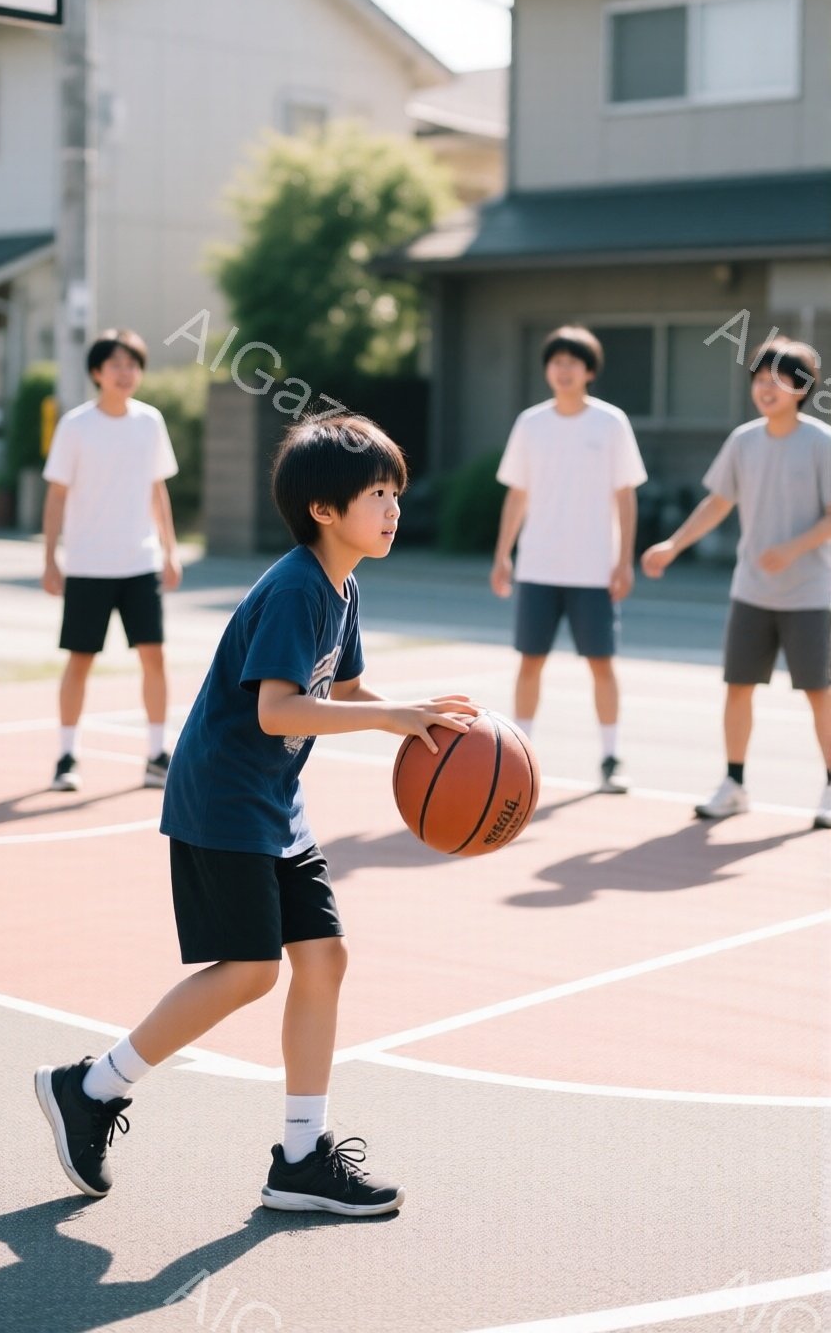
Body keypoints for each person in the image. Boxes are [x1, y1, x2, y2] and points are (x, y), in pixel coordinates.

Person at [34, 413, 474, 1215]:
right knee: (250, 970)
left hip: (275, 804)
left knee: (323, 959)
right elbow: (278, 710)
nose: (393, 507)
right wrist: (389, 720)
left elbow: (340, 692)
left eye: (395, 493)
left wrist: (424, 721)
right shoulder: (297, 588)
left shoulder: (342, 586)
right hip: (224, 799)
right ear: (324, 511)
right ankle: (91, 1089)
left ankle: (300, 1159)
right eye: (378, 494)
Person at [642, 339, 831, 828]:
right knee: (738, 688)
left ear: (802, 388)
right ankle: (734, 784)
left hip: (811, 594)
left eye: (778, 379)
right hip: (751, 591)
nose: (765, 388)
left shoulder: (820, 442)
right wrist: (673, 545)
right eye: (759, 379)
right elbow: (717, 503)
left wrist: (792, 548)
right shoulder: (743, 441)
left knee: (820, 693)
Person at [491, 325, 647, 793]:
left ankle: (610, 758)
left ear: (589, 371)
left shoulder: (611, 422)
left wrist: (624, 561)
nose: (562, 370)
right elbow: (518, 494)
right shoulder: (531, 423)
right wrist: (503, 555)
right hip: (538, 566)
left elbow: (626, 496)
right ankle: (521, 755)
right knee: (529, 662)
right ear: (547, 369)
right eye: (555, 362)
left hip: (594, 569)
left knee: (602, 664)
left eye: (572, 363)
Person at [42, 328, 182, 793]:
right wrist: (49, 557)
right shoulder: (75, 425)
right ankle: (66, 755)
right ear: (97, 372)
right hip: (87, 563)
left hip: (140, 563)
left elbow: (157, 489)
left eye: (133, 364)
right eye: (116, 365)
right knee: (80, 660)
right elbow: (57, 494)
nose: (126, 373)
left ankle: (157, 754)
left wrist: (170, 549)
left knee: (154, 658)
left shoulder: (150, 422)